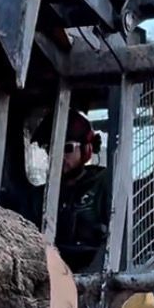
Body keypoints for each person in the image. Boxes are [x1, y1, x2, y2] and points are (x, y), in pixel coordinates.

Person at [47, 109, 110, 271]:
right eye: (51, 148)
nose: (59, 156)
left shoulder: (103, 183)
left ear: (86, 149)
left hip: (94, 270)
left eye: (67, 148)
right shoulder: (43, 193)